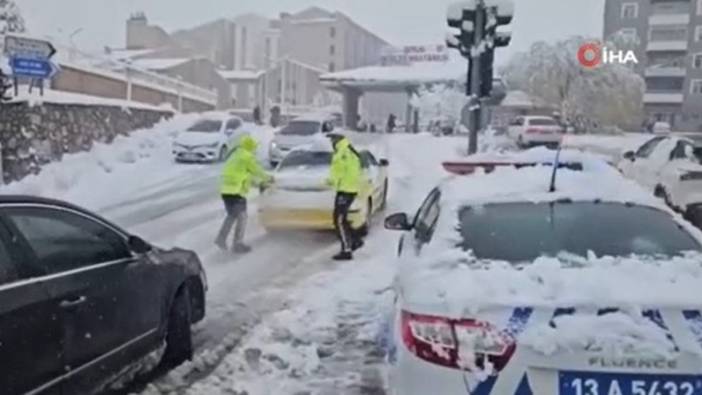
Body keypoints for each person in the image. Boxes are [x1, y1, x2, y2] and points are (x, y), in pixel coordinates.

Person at [215, 134, 273, 253]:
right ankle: (237, 244)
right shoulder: (247, 157)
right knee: (242, 217)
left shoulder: (235, 156)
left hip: (225, 192)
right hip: (236, 192)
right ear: (250, 147)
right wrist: (269, 178)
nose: (254, 150)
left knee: (232, 215)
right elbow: (257, 170)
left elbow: (245, 176)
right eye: (254, 148)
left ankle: (221, 238)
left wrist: (258, 184)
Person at [325, 133, 364, 261]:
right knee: (341, 219)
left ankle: (346, 250)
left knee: (339, 220)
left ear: (338, 139)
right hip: (347, 189)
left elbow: (343, 172)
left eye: (332, 139)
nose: (331, 142)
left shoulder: (344, 153)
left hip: (346, 190)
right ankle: (355, 240)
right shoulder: (345, 150)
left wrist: (333, 182)